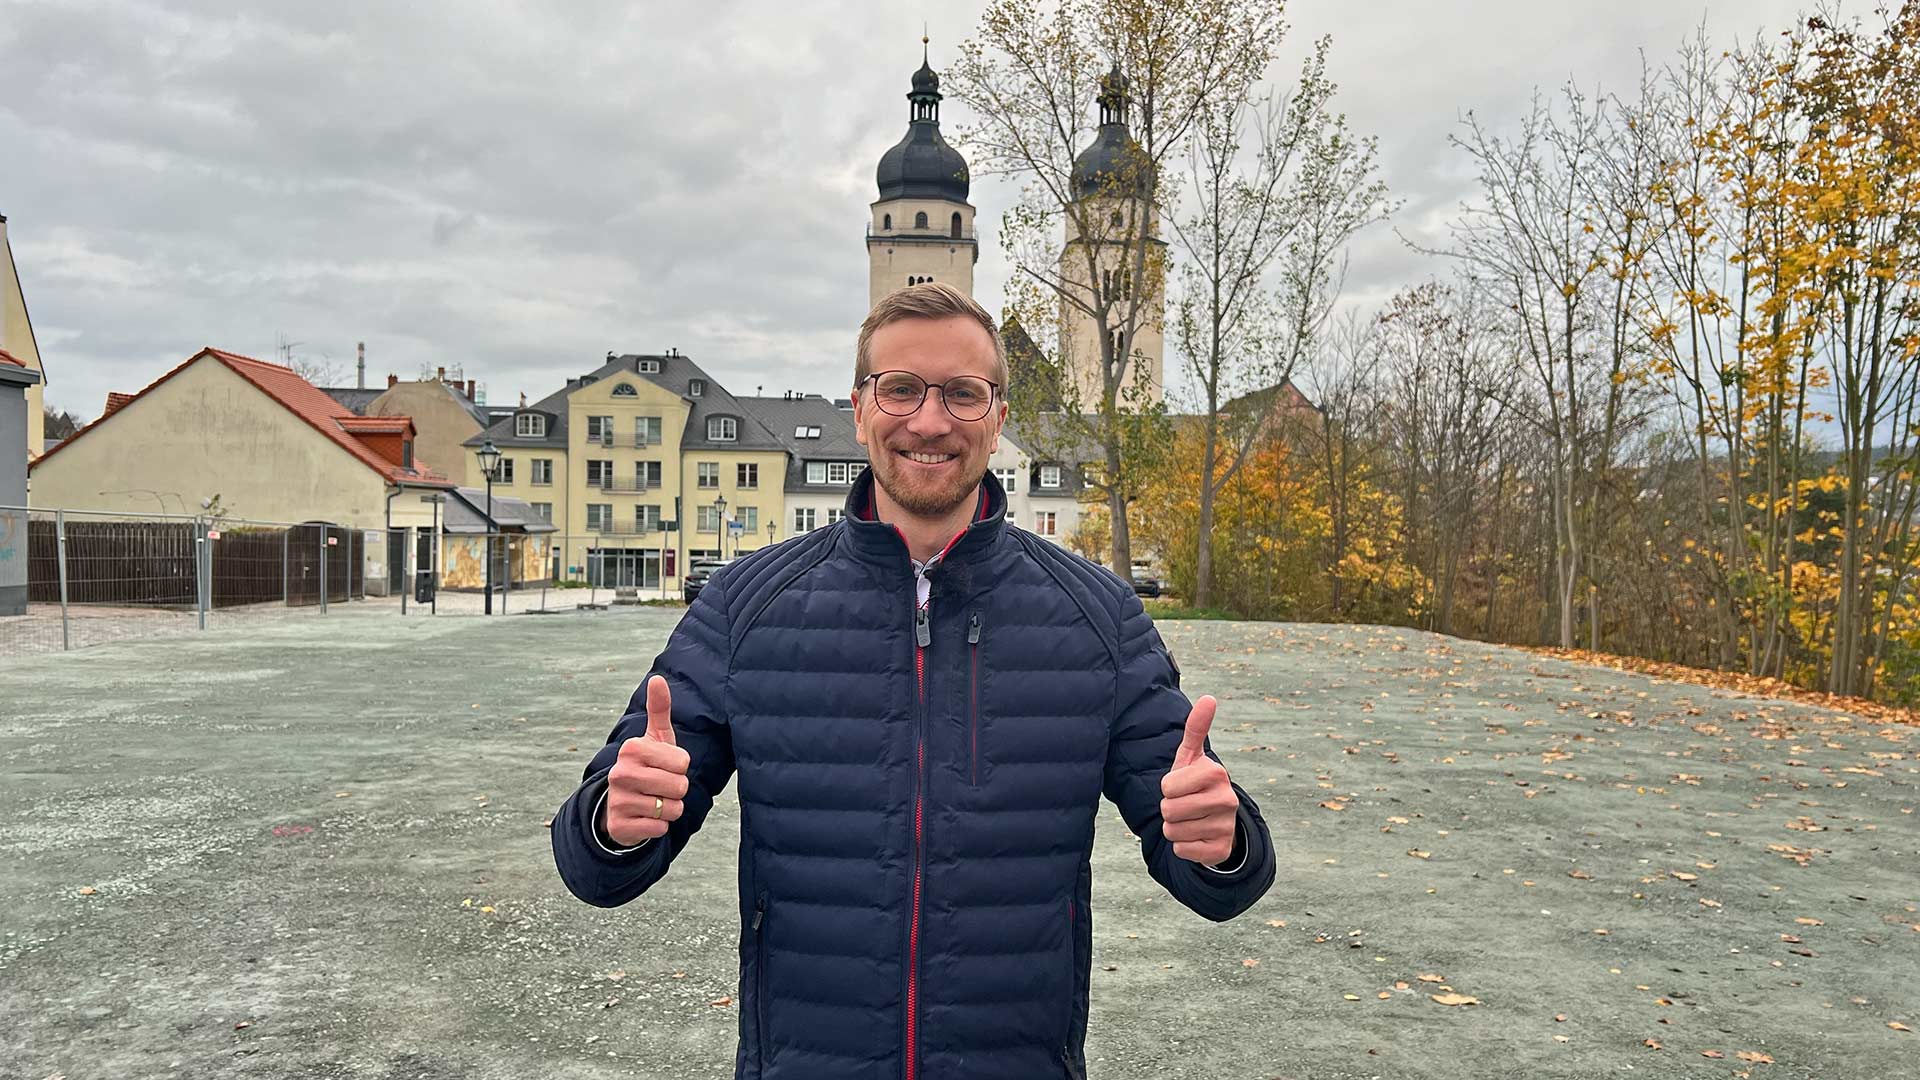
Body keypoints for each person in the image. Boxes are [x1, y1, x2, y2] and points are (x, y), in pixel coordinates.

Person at [552, 282, 1276, 1079]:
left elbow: (1219, 878)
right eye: (901, 388)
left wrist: (1221, 840)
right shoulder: (744, 609)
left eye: (963, 394)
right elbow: (593, 866)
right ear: (859, 406)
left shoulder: (1095, 616)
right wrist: (616, 822)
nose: (930, 421)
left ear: (998, 418)